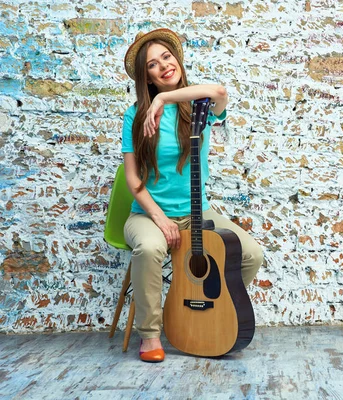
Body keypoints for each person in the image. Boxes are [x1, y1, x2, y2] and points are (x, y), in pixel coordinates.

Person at [121, 28, 263, 362]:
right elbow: (132, 178)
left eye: (167, 57)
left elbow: (220, 90)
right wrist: (159, 218)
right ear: (147, 77)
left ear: (177, 60)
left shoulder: (199, 107)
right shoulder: (134, 116)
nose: (164, 66)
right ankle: (151, 335)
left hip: (197, 212)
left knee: (251, 254)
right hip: (149, 214)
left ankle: (207, 311)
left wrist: (163, 98)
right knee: (149, 247)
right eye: (153, 65)